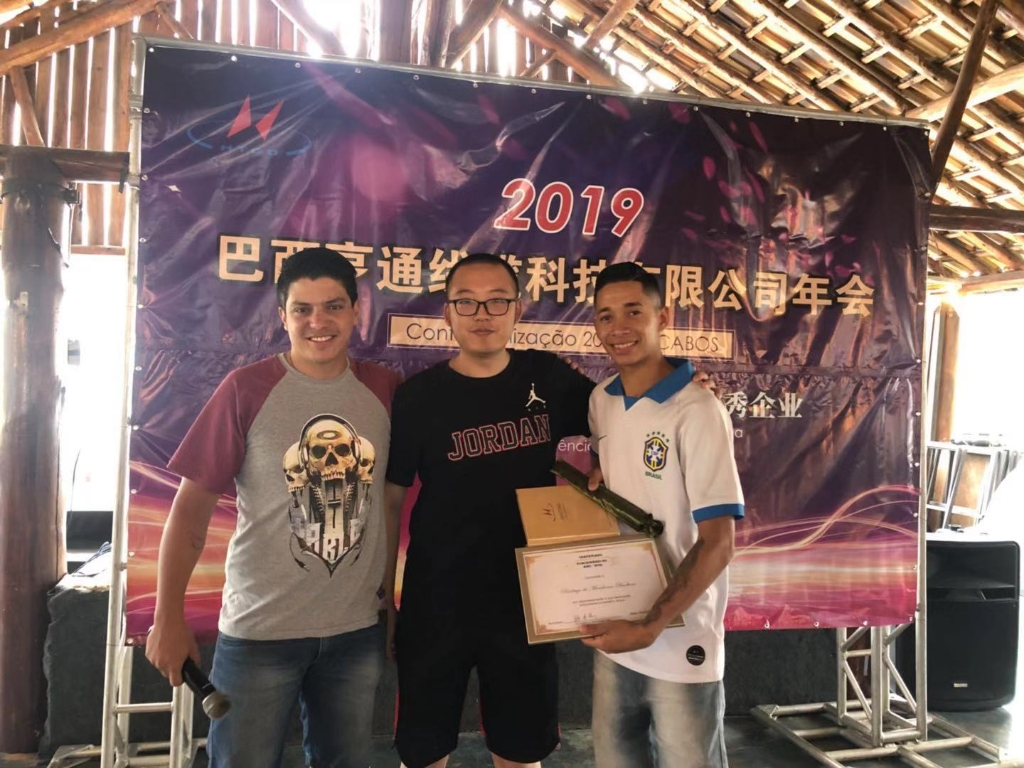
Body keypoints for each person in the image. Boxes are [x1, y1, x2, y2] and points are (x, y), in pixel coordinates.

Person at [383, 254, 714, 768]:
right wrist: (386, 595)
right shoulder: (416, 397)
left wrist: (685, 388)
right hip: (435, 601)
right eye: (466, 302)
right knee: (424, 751)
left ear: (518, 310)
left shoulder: (547, 376)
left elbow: (619, 410)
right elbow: (392, 498)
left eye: (497, 301)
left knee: (521, 750)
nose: (482, 314)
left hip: (529, 604)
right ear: (447, 313)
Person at [145, 247, 400, 768]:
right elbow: (190, 511)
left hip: (355, 632)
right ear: (283, 316)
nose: (318, 322)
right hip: (259, 633)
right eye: (302, 309)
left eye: (333, 306)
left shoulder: (385, 390)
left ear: (356, 311)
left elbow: (392, 505)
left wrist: (390, 603)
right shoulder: (246, 390)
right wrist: (166, 617)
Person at [581, 261, 744, 768]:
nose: (619, 328)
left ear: (663, 317)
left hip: (680, 639)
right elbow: (608, 477)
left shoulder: (698, 410)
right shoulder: (601, 400)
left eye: (634, 311)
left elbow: (718, 542)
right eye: (606, 316)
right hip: (617, 632)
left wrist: (652, 625)